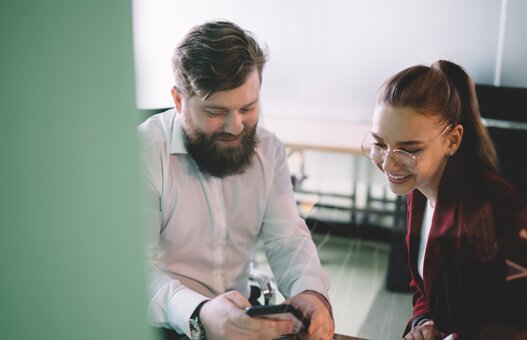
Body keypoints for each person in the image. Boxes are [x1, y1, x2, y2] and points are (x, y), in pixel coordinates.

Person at [138, 20, 334, 340]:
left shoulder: (268, 151)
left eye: (248, 107)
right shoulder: (144, 152)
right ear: (178, 100)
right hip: (160, 323)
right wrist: (199, 312)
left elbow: (286, 239)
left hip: (240, 319)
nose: (236, 126)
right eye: (215, 111)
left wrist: (311, 292)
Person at [361, 60, 527, 339]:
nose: (389, 164)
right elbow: (426, 287)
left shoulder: (492, 205)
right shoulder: (419, 189)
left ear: (452, 140)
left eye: (408, 149)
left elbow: (516, 314)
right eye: (380, 144)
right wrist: (424, 321)